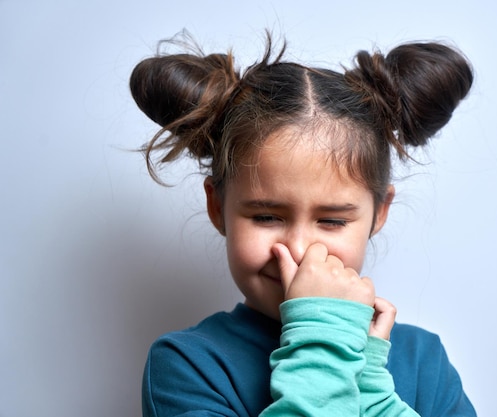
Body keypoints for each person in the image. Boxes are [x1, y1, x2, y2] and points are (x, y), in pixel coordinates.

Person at [130, 31, 476, 417]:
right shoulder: (187, 366)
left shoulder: (423, 361)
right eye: (265, 216)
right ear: (218, 207)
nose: (298, 247)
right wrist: (322, 342)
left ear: (379, 213)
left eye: (331, 220)